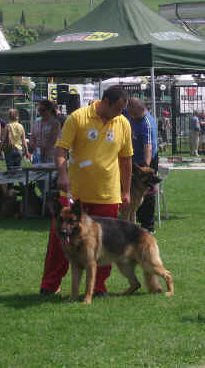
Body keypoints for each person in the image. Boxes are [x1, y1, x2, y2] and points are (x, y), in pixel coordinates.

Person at [40, 85, 133, 297]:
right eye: (117, 109)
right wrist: (63, 175)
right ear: (105, 102)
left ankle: (98, 288)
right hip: (75, 194)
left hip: (107, 194)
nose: (120, 114)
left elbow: (126, 160)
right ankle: (50, 284)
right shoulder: (78, 118)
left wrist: (126, 191)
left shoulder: (123, 123)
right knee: (60, 241)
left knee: (105, 244)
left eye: (123, 110)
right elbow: (61, 148)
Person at [126, 97, 158, 234]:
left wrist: (146, 166)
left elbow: (148, 147)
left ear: (140, 108)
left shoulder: (147, 123)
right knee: (133, 197)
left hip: (147, 161)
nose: (129, 115)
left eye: (132, 112)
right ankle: (132, 224)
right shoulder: (130, 113)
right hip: (133, 160)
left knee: (147, 192)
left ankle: (147, 226)